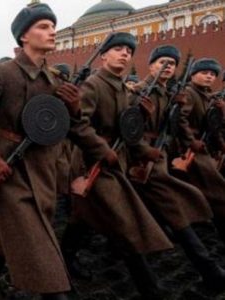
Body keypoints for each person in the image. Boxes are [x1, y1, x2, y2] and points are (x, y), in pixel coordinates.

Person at [0, 3, 75, 299]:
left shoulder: (55, 78)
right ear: (23, 37)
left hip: (44, 171)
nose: (52, 31)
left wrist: (74, 110)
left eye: (53, 26)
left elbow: (61, 127)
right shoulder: (4, 73)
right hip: (11, 171)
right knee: (42, 250)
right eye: (43, 27)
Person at [67, 32, 174, 299]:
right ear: (104, 56)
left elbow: (126, 130)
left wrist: (143, 144)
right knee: (124, 221)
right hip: (92, 163)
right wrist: (102, 150)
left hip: (115, 162)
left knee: (82, 218)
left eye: (128, 50)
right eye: (118, 49)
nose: (125, 53)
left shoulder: (123, 88)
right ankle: (151, 289)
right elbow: (78, 124)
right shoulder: (93, 85)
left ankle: (65, 257)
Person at [130, 46, 225, 289]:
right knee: (168, 206)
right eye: (162, 61)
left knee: (147, 212)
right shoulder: (138, 91)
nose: (168, 66)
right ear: (150, 65)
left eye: (172, 62)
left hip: (159, 157)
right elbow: (126, 128)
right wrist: (143, 148)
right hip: (139, 161)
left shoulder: (168, 94)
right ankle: (208, 269)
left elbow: (171, 125)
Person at [175, 58, 225, 243]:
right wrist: (190, 141)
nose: (209, 77)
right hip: (190, 149)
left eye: (212, 74)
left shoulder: (207, 96)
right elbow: (180, 119)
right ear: (193, 75)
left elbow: (213, 125)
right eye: (204, 73)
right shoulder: (189, 92)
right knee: (218, 189)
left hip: (201, 147)